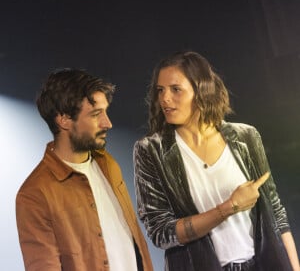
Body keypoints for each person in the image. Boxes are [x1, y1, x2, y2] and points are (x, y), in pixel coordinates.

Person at [133, 51, 299, 271]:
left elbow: (276, 214)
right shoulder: (150, 151)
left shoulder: (245, 137)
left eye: (176, 89)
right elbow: (161, 233)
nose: (164, 98)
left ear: (201, 90)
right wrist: (228, 208)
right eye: (160, 90)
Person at [16, 69, 153, 271]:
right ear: (63, 120)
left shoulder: (107, 163)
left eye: (105, 112)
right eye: (96, 114)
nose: (108, 123)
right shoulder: (34, 194)